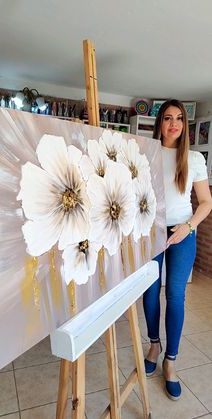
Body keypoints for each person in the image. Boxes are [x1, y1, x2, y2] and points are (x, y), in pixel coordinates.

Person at [143, 99, 212, 400]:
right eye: (168, 118)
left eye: (179, 118)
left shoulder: (194, 158)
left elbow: (206, 202)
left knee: (175, 294)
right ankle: (154, 345)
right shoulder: (146, 153)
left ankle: (171, 361)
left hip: (183, 232)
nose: (173, 123)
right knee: (149, 290)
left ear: (184, 124)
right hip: (152, 231)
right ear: (159, 123)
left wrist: (189, 226)